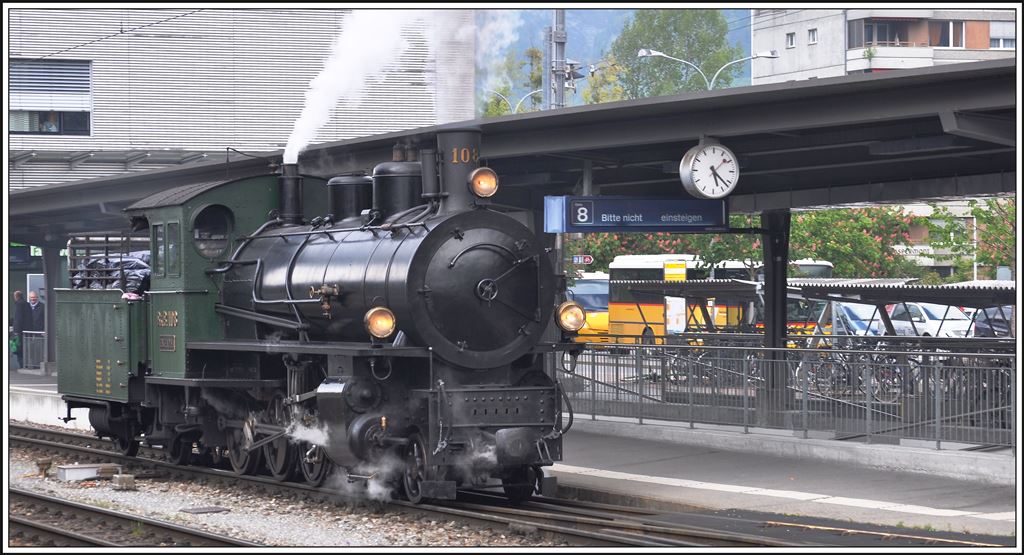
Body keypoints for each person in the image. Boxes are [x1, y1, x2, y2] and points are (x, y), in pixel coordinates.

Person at [12, 291, 30, 368]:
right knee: (24, 349)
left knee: (18, 349)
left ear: (16, 296)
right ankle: (24, 365)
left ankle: (21, 365)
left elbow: (18, 319)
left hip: (18, 331)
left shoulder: (19, 304)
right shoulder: (26, 304)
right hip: (25, 330)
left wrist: (15, 331)